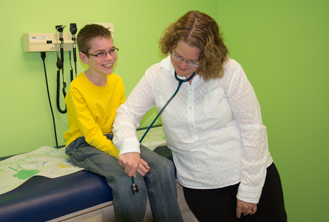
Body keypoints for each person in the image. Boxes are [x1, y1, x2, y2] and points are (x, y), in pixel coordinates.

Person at [112, 11, 287, 222]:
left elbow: (253, 129)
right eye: (177, 56)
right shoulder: (157, 75)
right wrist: (129, 146)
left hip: (248, 175)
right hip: (201, 186)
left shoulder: (229, 71)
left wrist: (250, 190)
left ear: (209, 56)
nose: (183, 66)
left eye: (193, 61)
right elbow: (126, 113)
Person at [63, 24, 183, 222]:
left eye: (111, 51)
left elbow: (123, 119)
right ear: (84, 58)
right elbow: (92, 135)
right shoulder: (77, 90)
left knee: (163, 168)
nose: (109, 58)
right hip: (83, 143)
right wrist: (124, 154)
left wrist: (129, 147)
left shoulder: (116, 81)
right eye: (100, 53)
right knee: (128, 176)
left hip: (112, 137)